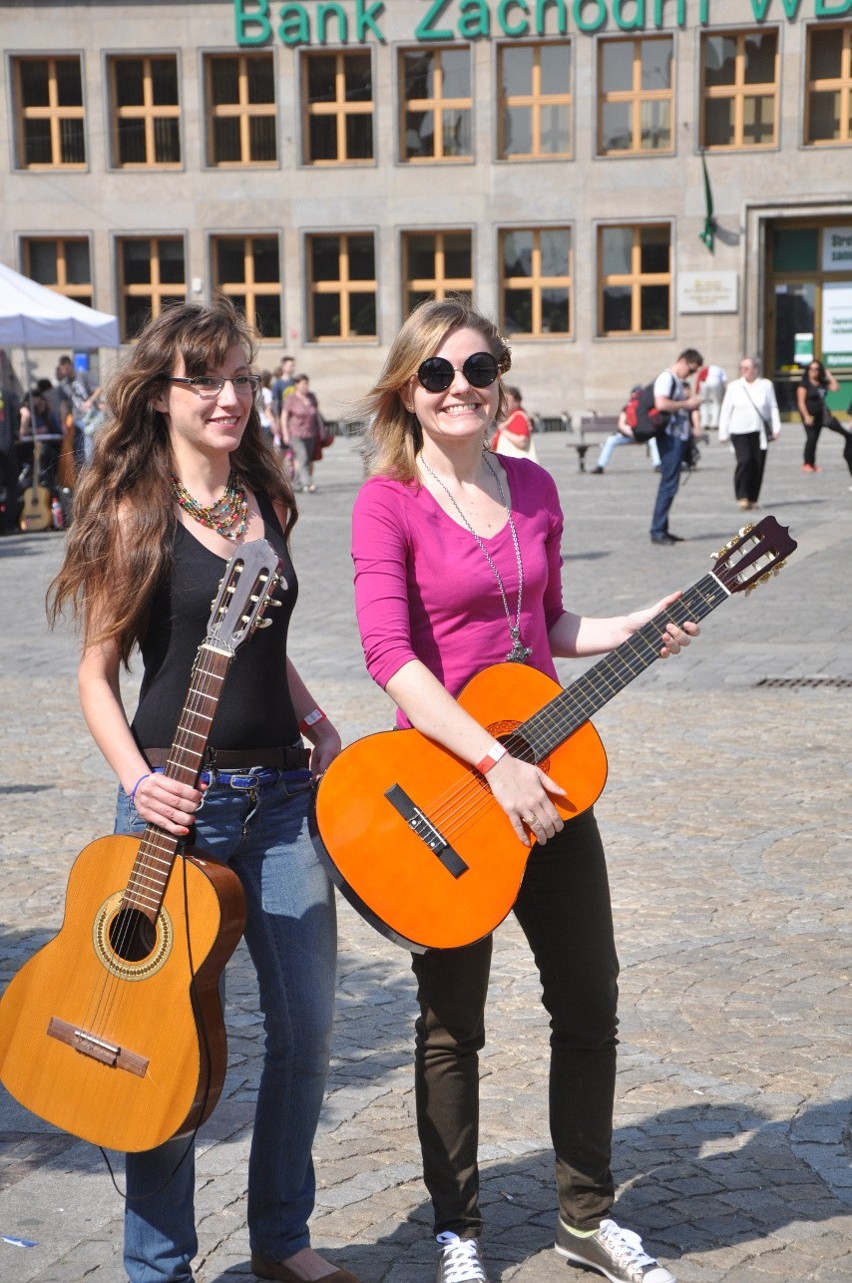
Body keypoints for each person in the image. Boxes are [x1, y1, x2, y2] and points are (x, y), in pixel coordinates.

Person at [351, 297, 698, 1283]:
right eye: (438, 373)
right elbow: (391, 656)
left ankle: (585, 1218)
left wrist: (643, 620)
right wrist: (487, 761)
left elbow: (549, 623)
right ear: (409, 390)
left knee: (590, 999)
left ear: (500, 378)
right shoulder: (390, 501)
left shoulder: (538, 488)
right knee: (453, 1020)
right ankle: (457, 1227)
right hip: (445, 790)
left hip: (544, 781)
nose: (461, 385)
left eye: (479, 367)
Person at [47, 300, 357, 1283]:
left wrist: (310, 711)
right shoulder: (134, 512)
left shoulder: (265, 494)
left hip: (282, 800)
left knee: (306, 1028)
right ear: (165, 393)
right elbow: (97, 675)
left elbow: (260, 637)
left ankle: (282, 1237)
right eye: (205, 379)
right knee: (160, 1046)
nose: (230, 396)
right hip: (174, 806)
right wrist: (139, 782)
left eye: (240, 377)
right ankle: (160, 1263)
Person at [648, 349, 703, 545]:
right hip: (669, 438)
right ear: (682, 361)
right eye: (690, 370)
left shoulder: (676, 381)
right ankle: (657, 530)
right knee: (668, 484)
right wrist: (687, 404)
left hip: (677, 437)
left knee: (671, 485)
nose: (691, 375)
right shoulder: (667, 377)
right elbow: (661, 404)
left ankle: (662, 528)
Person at [718, 357, 781, 510]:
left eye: (747, 368)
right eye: (742, 368)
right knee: (745, 461)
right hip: (738, 430)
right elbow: (726, 409)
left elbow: (773, 406)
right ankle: (742, 496)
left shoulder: (766, 385)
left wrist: (777, 427)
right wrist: (723, 432)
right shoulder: (734, 386)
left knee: (758, 464)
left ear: (756, 369)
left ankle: (752, 498)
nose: (744, 370)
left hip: (759, 431)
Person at [797, 359, 852, 481]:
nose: (814, 372)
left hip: (821, 416)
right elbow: (801, 402)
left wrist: (829, 375)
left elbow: (836, 388)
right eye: (811, 369)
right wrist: (806, 416)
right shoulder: (804, 384)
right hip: (809, 416)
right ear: (808, 370)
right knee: (811, 438)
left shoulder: (821, 383)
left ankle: (812, 463)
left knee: (816, 438)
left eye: (817, 369)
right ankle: (807, 463)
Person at [591, 386, 662, 474]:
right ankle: (600, 465)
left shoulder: (647, 406)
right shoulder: (628, 407)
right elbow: (621, 425)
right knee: (611, 440)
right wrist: (634, 433)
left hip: (644, 434)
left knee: (653, 440)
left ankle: (658, 464)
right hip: (629, 435)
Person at [55, 353, 103, 464]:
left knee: (90, 449)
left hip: (92, 417)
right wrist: (63, 422)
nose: (65, 371)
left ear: (71, 365)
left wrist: (90, 401)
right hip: (78, 419)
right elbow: (63, 405)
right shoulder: (63, 385)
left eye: (66, 368)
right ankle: (84, 474)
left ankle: (91, 471)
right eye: (63, 369)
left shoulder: (82, 375)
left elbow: (99, 388)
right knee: (81, 450)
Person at [18, 379, 63, 493]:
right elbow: (21, 432)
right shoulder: (28, 415)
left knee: (45, 452)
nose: (41, 405)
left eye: (42, 402)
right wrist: (34, 430)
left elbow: (58, 432)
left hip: (48, 450)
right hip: (29, 450)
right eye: (38, 404)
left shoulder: (48, 415)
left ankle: (48, 480)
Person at [284, 374, 324, 493]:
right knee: (303, 456)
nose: (306, 386)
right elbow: (284, 416)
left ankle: (296, 484)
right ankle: (308, 483)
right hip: (296, 433)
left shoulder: (311, 396)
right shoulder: (291, 398)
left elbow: (316, 413)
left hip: (310, 432)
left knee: (305, 459)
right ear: (297, 385)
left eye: (307, 383)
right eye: (303, 383)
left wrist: (321, 429)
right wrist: (285, 433)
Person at [490, 385, 538, 463]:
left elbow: (522, 442)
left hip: (517, 466)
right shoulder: (509, 419)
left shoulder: (519, 416)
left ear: (517, 401)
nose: (503, 403)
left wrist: (504, 431)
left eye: (507, 400)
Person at [695, 362, 727, 437]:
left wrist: (696, 392)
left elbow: (698, 380)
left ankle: (704, 422)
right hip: (715, 380)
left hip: (704, 381)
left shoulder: (704, 370)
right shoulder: (721, 370)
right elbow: (724, 381)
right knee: (716, 402)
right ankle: (714, 423)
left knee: (704, 403)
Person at [271, 355, 297, 436]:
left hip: (296, 418)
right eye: (291, 365)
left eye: (294, 365)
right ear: (284, 367)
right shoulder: (278, 384)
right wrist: (277, 420)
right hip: (284, 419)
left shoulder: (296, 382)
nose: (293, 368)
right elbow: (275, 403)